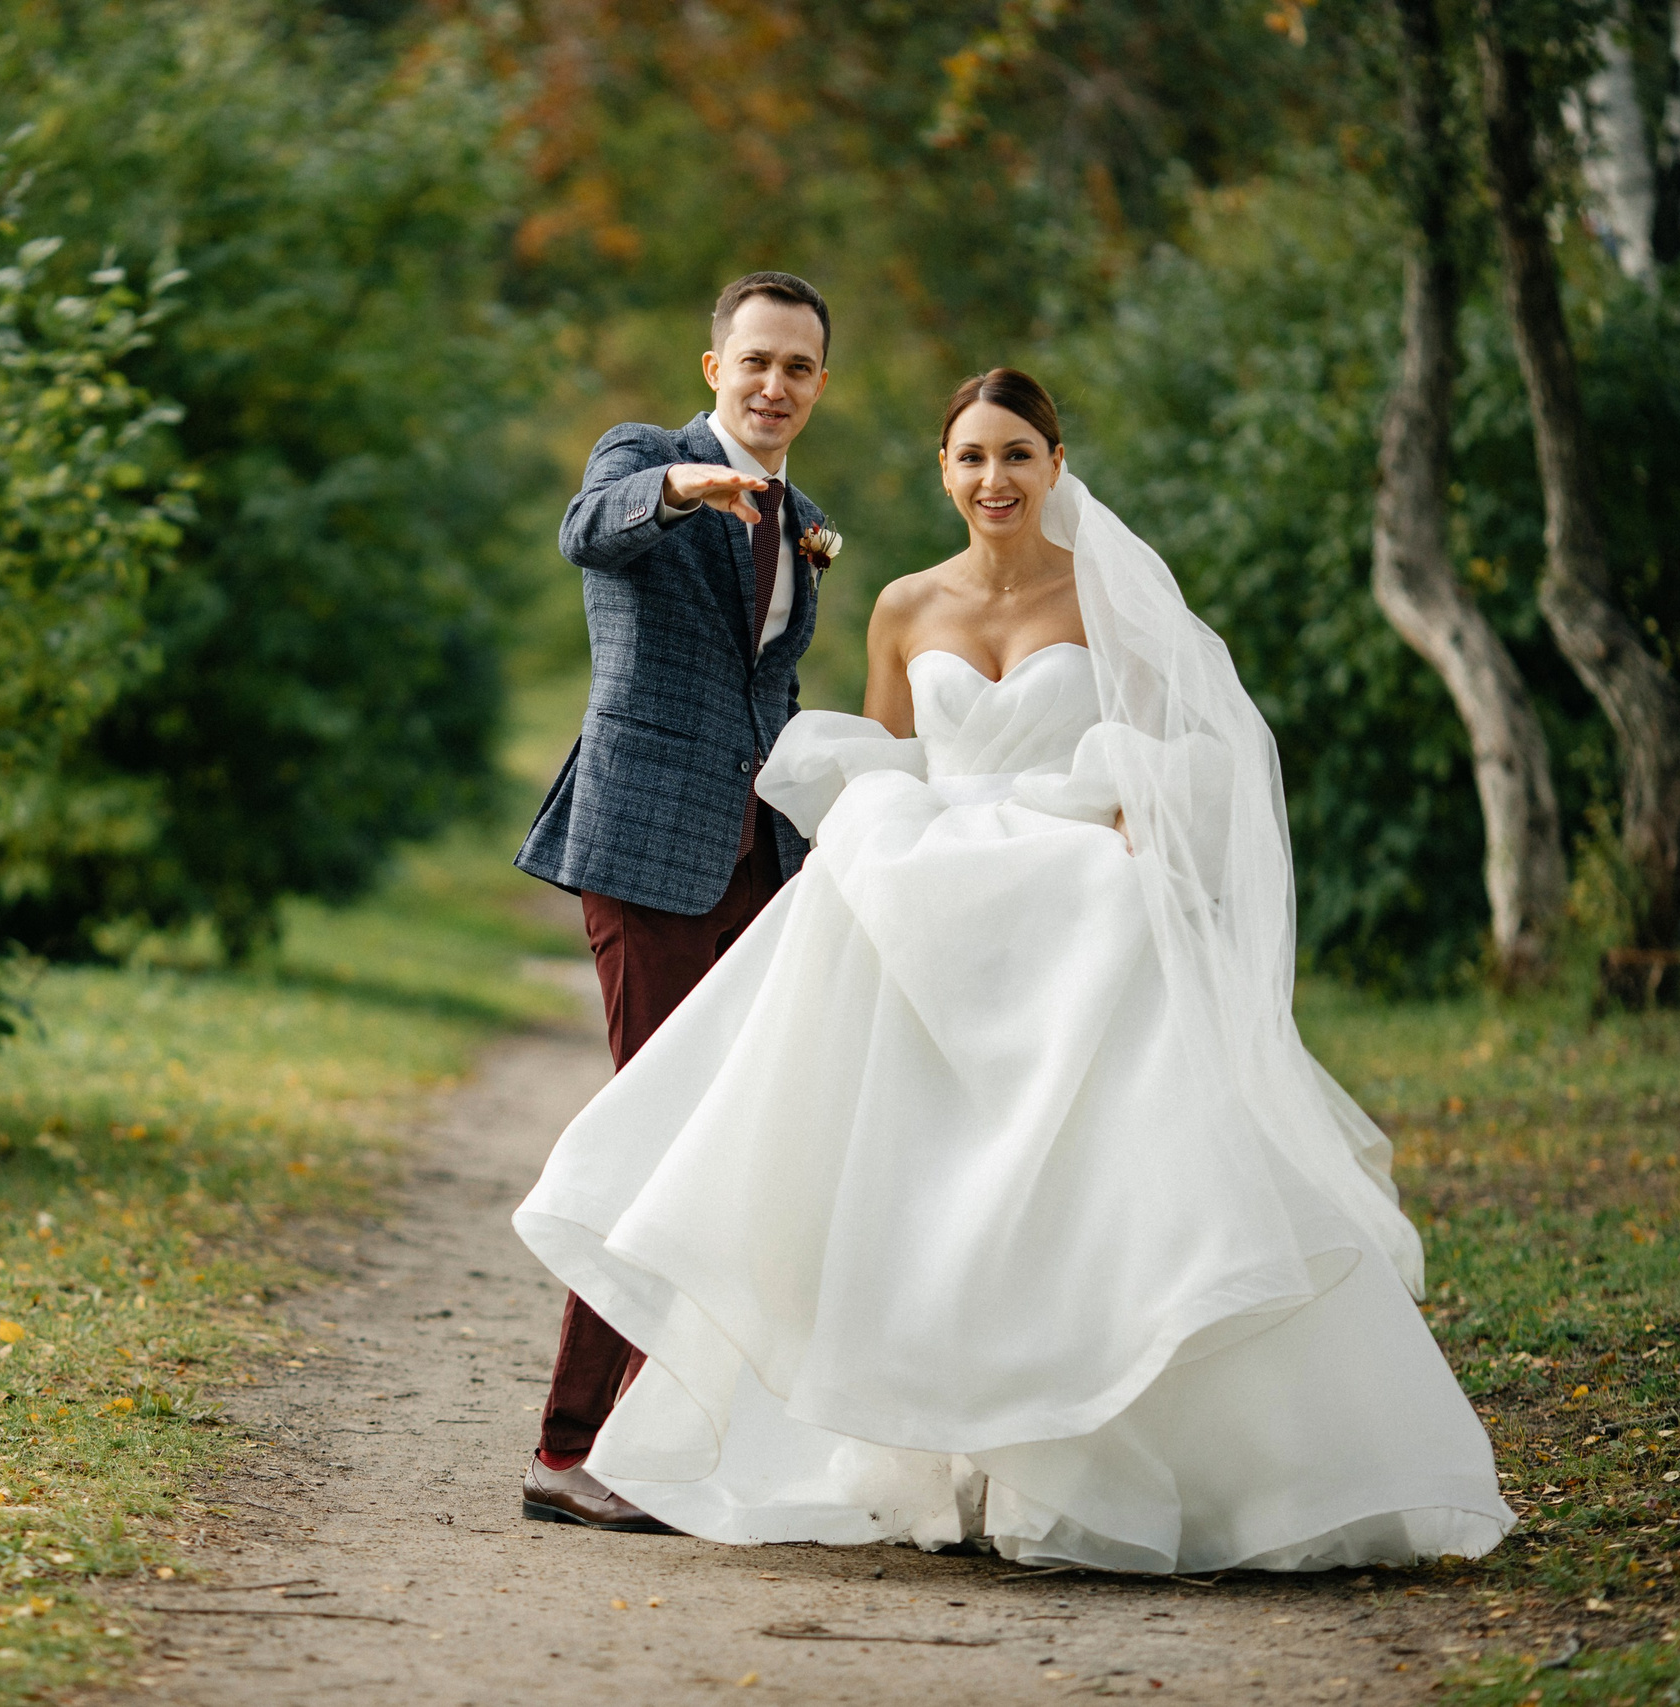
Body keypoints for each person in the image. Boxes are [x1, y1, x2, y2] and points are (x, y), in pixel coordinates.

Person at [511, 369, 1515, 1571]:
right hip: (935, 896)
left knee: (1088, 1173)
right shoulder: (897, 603)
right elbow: (888, 763)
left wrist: (1136, 814)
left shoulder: (1107, 599)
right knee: (908, 1177)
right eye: (972, 457)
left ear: (1053, 465)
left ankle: (1114, 1454)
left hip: (1069, 897)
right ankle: (936, 1464)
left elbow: (1188, 748)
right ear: (943, 471)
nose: (994, 479)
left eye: (1017, 455)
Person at [513, 272, 838, 1532]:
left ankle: (660, 1437)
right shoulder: (642, 459)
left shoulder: (802, 517)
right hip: (646, 849)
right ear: (713, 368)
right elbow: (587, 529)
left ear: (819, 385)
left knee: (729, 1150)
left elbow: (770, 696)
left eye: (798, 369)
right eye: (754, 360)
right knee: (654, 1143)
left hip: (759, 864)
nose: (773, 386)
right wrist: (681, 488)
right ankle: (568, 1452)